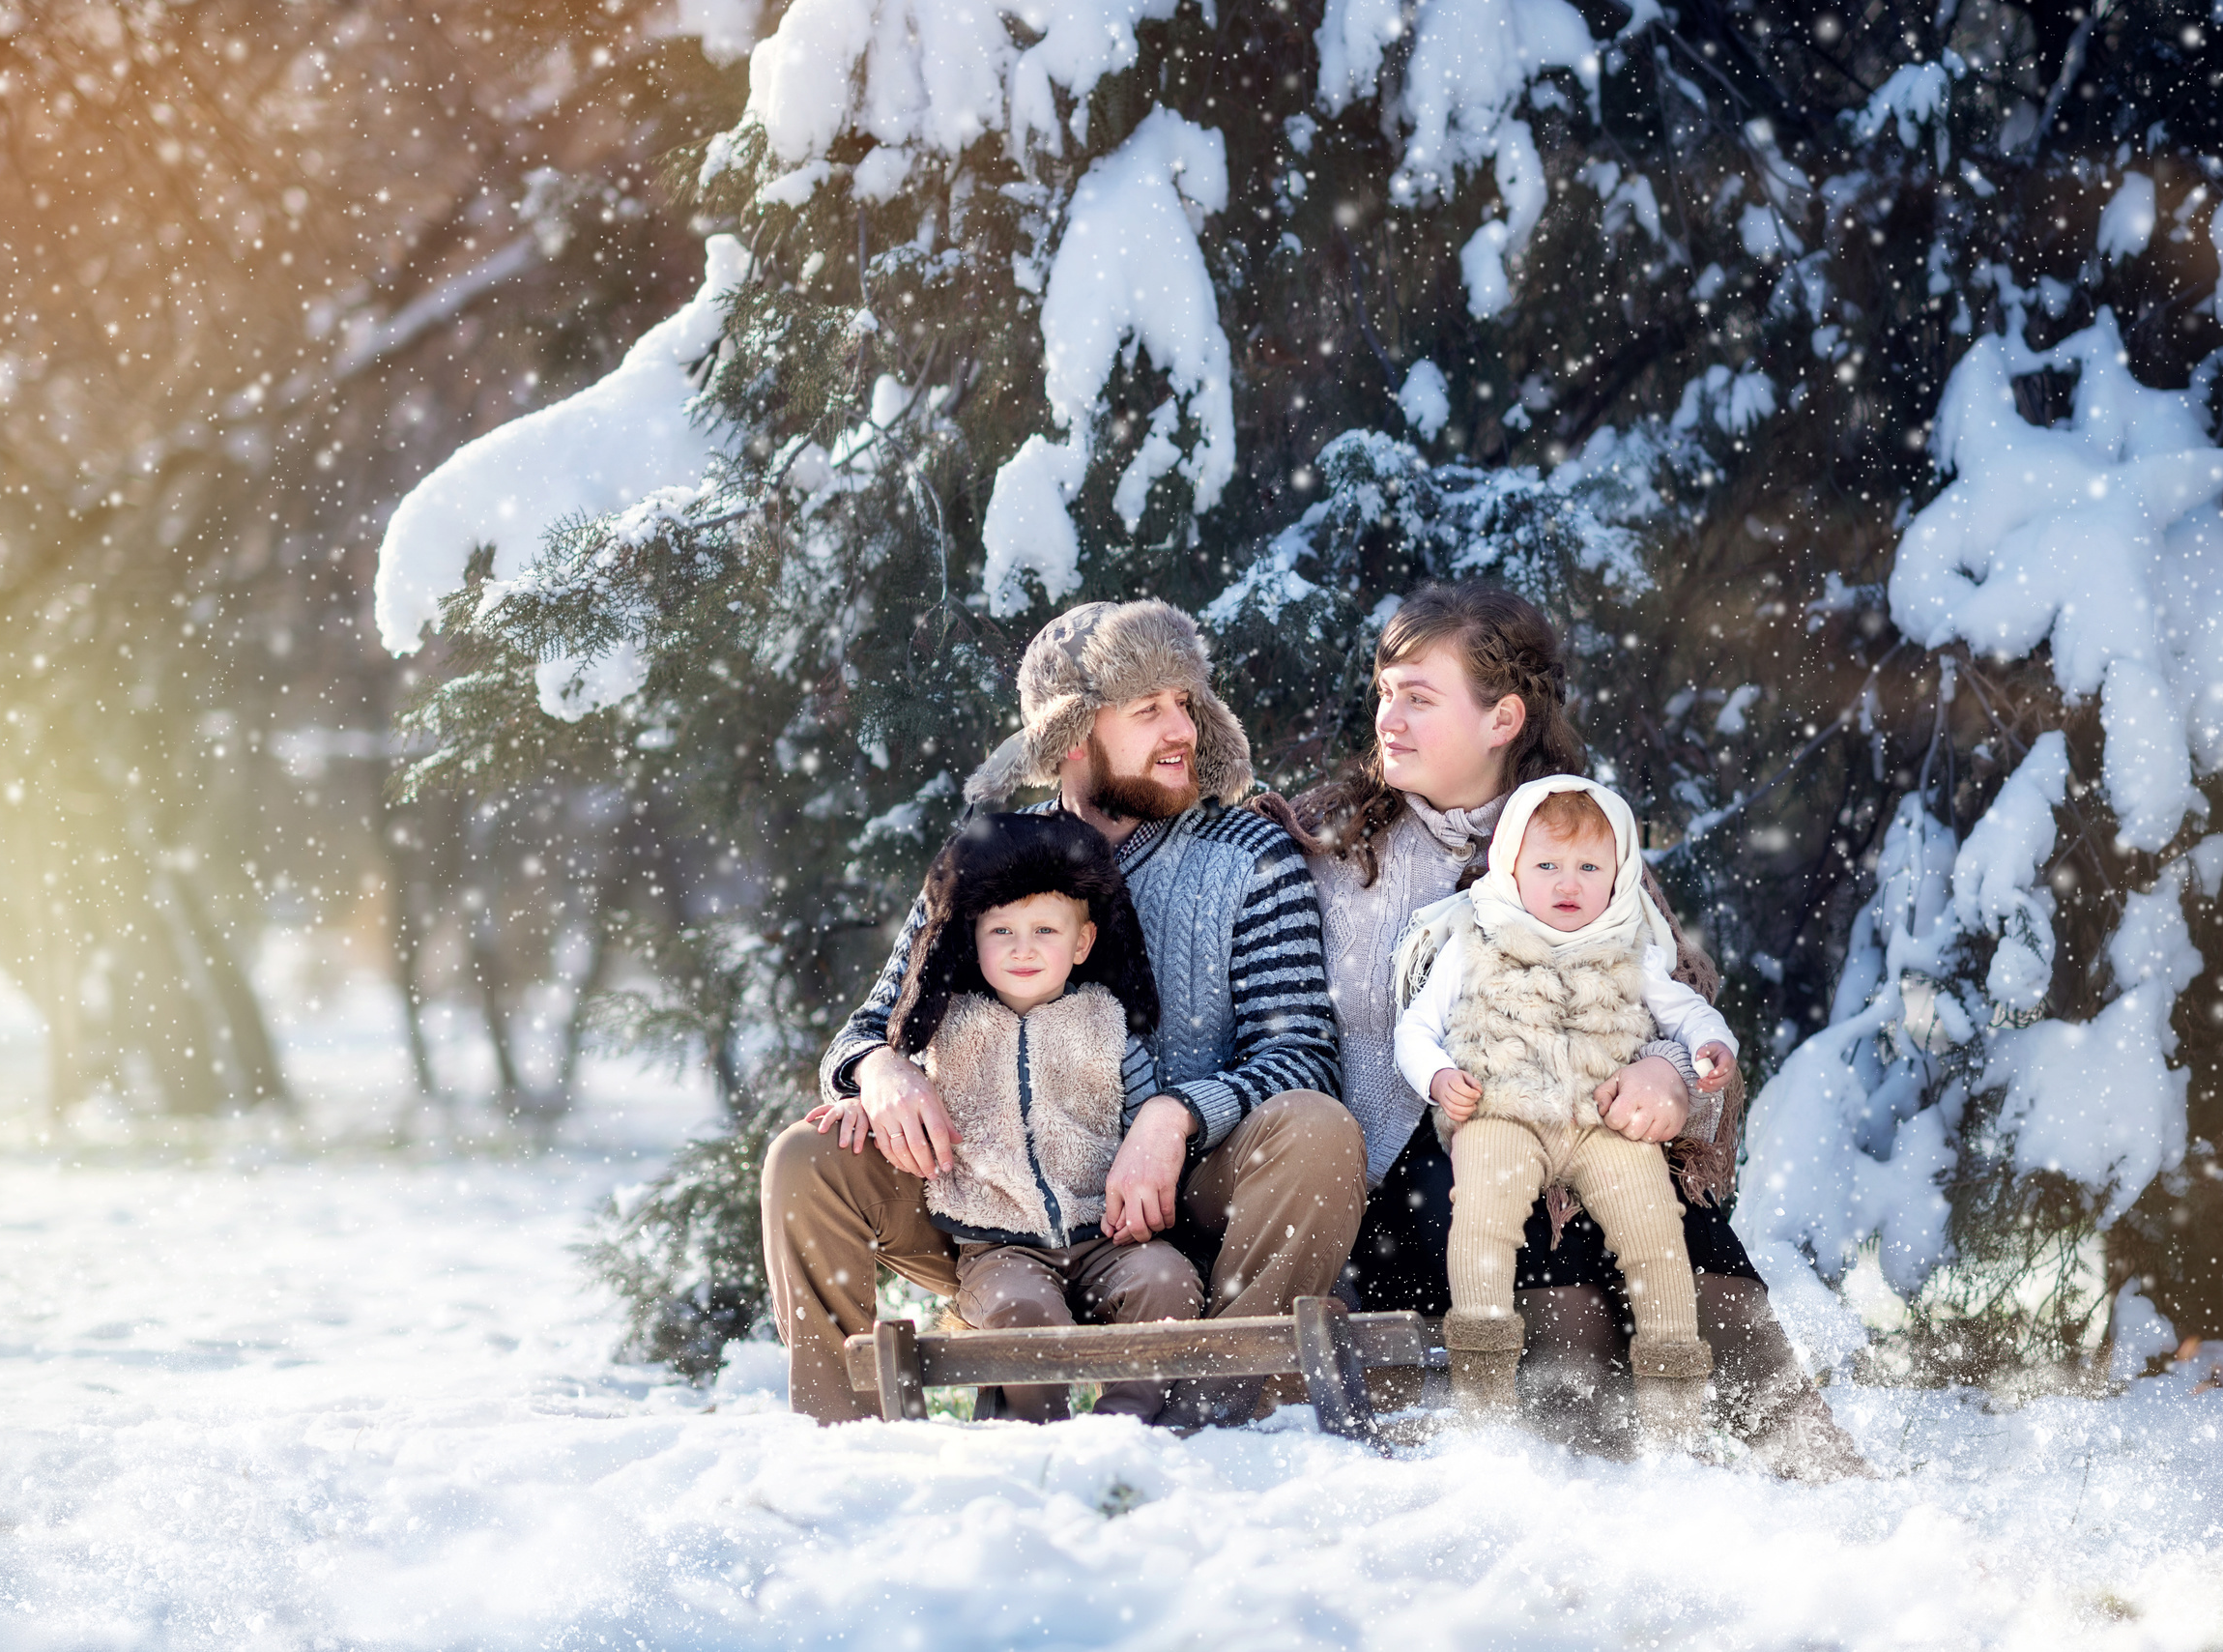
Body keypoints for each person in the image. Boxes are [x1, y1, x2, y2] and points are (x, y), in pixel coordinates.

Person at [1279, 581, 1869, 1477]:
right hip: (1395, 1204)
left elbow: (1673, 1002)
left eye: (1419, 697)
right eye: (1384, 691)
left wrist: (1671, 1079)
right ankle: (1594, 1472)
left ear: (1503, 717)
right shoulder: (1329, 844)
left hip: (1556, 1160)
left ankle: (1810, 1465)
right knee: (1530, 1178)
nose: (1387, 718)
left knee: (1630, 1181)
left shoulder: (1581, 844)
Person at [764, 598, 1363, 1427]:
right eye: (1148, 708)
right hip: (998, 1206)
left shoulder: (1249, 856)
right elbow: (869, 1026)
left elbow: (1301, 1053)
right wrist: (881, 1069)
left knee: (1319, 1129)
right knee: (808, 1159)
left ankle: (1219, 1416)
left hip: (1182, 1203)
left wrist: (1173, 1114)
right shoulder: (990, 858)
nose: (1179, 728)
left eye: (1186, 703)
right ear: (1073, 733)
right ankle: (848, 1438)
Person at [810, 812, 1201, 1422]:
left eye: (1045, 929)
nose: (1023, 949)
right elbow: (893, 1077)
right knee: (1023, 1314)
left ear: (1083, 942)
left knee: (1168, 1282)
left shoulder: (1107, 1024)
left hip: (1107, 1236)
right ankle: (1032, 1430)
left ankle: (1126, 1425)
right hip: (996, 1244)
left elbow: (1144, 1110)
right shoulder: (945, 1027)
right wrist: (862, 1099)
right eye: (1002, 931)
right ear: (974, 937)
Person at [1392, 776, 1740, 1444]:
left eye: (1588, 867)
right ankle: (1485, 1389)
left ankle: (1674, 1407)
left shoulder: (1631, 946)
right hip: (1503, 1112)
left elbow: (1686, 1009)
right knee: (1483, 1220)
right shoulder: (1477, 935)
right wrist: (1438, 1078)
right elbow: (1416, 1029)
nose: (1567, 883)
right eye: (1546, 865)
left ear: (1619, 876)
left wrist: (1709, 1044)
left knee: (1655, 1231)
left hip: (1601, 1122)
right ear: (1511, 865)